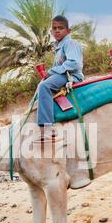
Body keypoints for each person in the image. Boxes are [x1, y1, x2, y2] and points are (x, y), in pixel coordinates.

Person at [35, 15, 84, 143]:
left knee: (44, 86)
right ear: (51, 32)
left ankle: (47, 128)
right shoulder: (59, 47)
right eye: (54, 28)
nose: (57, 31)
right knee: (41, 86)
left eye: (60, 28)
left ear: (68, 31)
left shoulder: (70, 43)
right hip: (63, 75)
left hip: (71, 76)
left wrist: (50, 72)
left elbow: (74, 63)